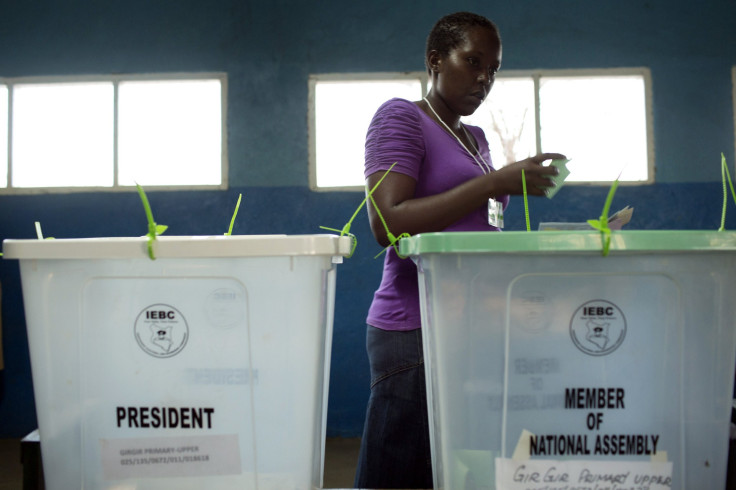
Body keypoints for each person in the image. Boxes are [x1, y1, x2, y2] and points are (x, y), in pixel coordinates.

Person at [354, 11, 566, 489]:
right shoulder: (401, 116)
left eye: (492, 69)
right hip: (416, 330)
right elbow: (386, 221)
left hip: (471, 328)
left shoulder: (475, 139)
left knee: (452, 471)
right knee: (397, 474)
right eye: (472, 62)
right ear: (435, 60)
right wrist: (495, 182)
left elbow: (475, 228)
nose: (484, 79)